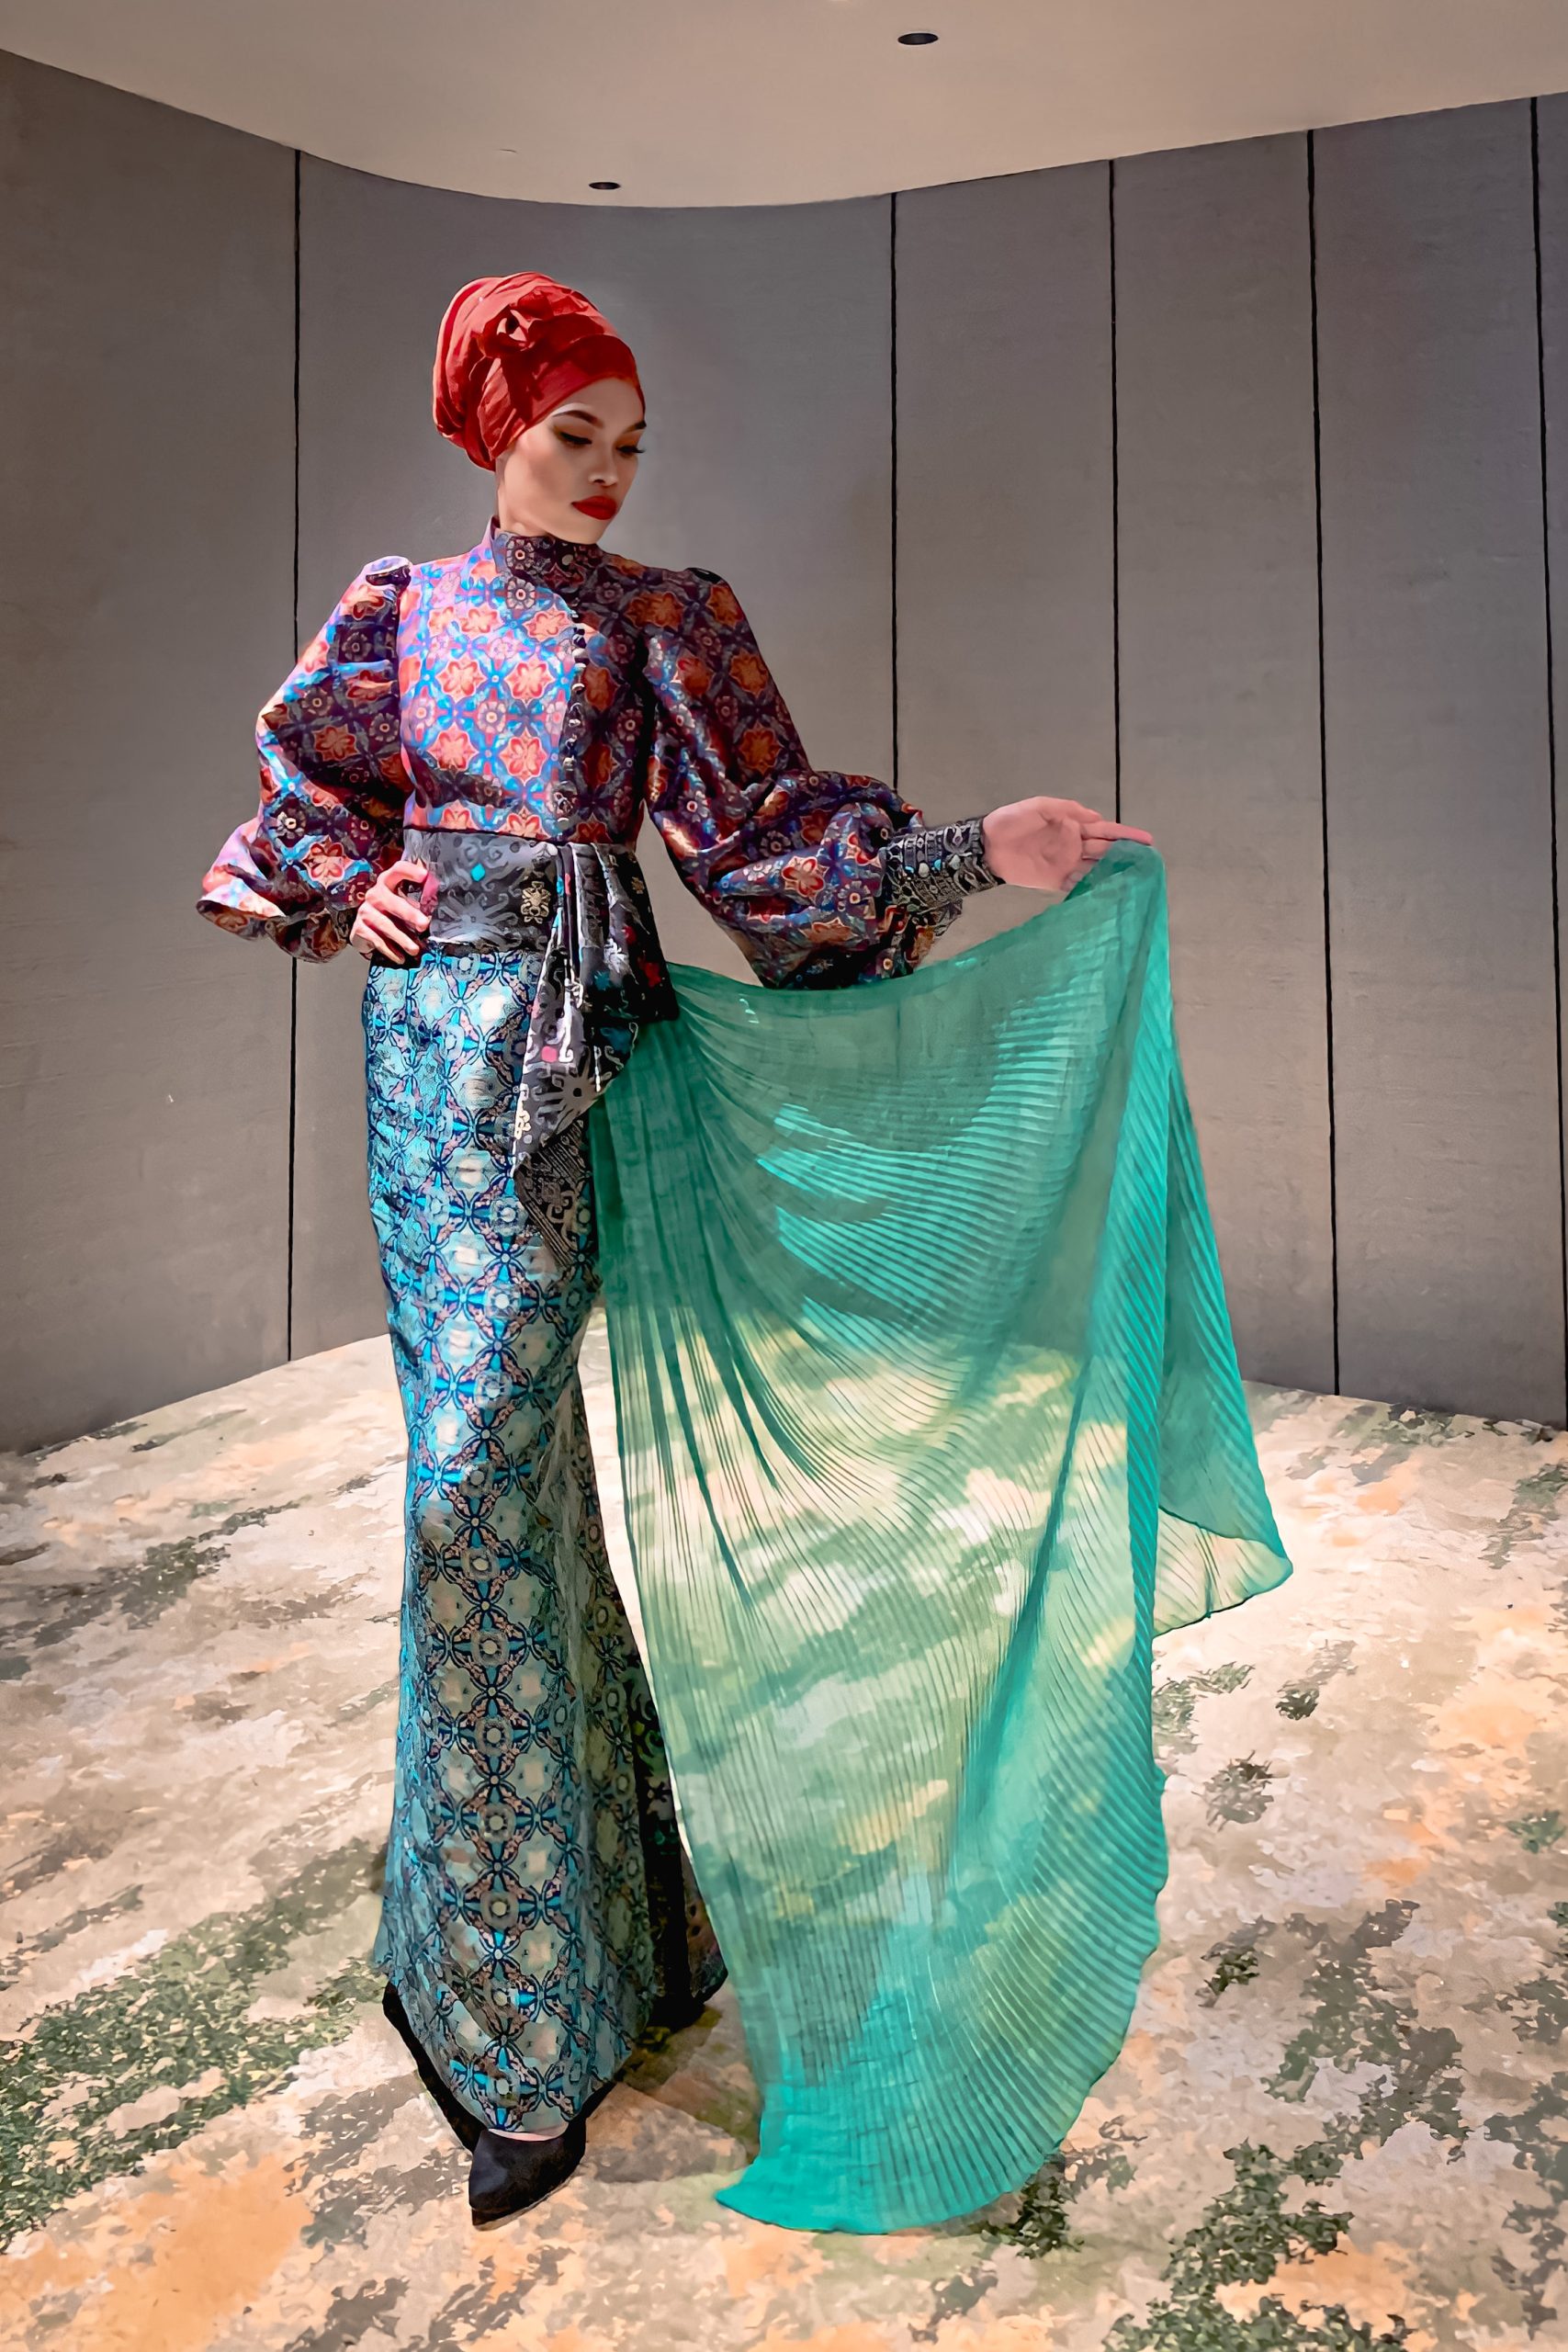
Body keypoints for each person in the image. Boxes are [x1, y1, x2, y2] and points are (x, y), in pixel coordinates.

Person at [198, 271, 1154, 2225]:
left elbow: (757, 836)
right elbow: (302, 792)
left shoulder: (663, 617)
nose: (608, 472)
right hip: (430, 1068)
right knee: (481, 1482)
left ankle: (576, 1947)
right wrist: (346, 889)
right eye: (575, 435)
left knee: (502, 1488)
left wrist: (975, 849)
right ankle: (514, 2012)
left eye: (629, 444)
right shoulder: (400, 606)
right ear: (494, 426)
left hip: (582, 1063)